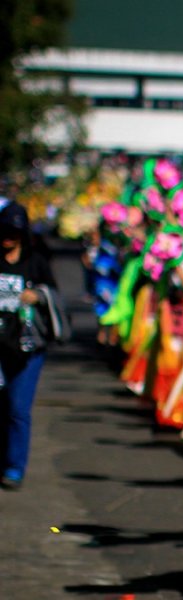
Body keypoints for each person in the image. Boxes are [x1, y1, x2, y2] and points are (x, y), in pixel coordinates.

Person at [0, 200, 57, 490]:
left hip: (28, 348)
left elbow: (55, 298)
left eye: (14, 231)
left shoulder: (37, 263)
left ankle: (13, 466)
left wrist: (38, 296)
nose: (8, 237)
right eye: (4, 230)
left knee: (18, 408)